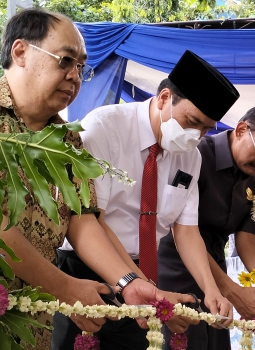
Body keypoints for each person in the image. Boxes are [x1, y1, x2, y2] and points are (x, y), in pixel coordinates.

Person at [0, 10, 193, 350]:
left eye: (81, 67)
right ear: (20, 52)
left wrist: (129, 282)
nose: (75, 76)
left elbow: (82, 219)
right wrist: (66, 288)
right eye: (65, 60)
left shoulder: (67, 140)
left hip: (30, 320)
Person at [54, 50, 238, 349]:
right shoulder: (104, 128)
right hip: (88, 270)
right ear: (164, 98)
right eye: (192, 121)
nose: (196, 135)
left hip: (144, 278)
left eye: (206, 128)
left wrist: (211, 289)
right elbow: (92, 220)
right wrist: (141, 285)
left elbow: (186, 230)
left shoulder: (190, 157)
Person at [156, 103, 255, 349]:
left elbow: (246, 240)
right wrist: (231, 291)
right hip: (176, 277)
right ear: (242, 129)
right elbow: (183, 232)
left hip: (218, 283)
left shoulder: (252, 182)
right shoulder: (196, 156)